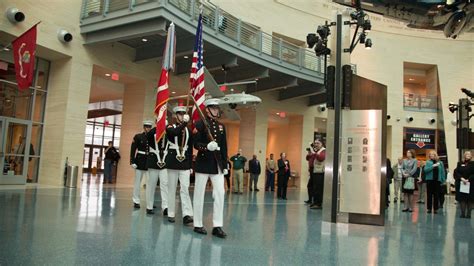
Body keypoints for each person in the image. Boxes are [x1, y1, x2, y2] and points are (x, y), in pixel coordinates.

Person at [193, 98, 228, 238]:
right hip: (203, 163)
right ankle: (198, 223)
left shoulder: (221, 126)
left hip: (217, 164)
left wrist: (225, 165)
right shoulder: (200, 124)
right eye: (213, 108)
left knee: (220, 193)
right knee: (199, 194)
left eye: (217, 108)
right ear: (207, 110)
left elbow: (224, 147)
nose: (216, 110)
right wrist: (205, 147)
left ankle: (217, 225)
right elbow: (195, 144)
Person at [165, 106, 193, 225]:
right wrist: (185, 123)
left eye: (183, 114)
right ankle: (171, 213)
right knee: (171, 189)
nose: (182, 116)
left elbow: (190, 149)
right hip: (172, 162)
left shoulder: (188, 131)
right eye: (179, 114)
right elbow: (175, 134)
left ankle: (187, 214)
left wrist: (191, 165)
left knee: (185, 189)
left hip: (185, 162)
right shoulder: (170, 127)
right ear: (175, 116)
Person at [146, 124, 169, 216]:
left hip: (164, 160)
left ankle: (165, 207)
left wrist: (166, 128)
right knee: (151, 185)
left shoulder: (167, 133)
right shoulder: (153, 133)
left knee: (165, 184)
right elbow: (148, 135)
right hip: (154, 160)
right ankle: (149, 206)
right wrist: (158, 126)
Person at [130, 120, 152, 209]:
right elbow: (133, 149)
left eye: (149, 127)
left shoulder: (153, 137)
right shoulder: (138, 136)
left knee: (150, 183)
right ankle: (136, 201)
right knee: (137, 182)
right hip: (139, 160)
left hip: (149, 161)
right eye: (146, 127)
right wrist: (132, 161)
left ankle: (150, 202)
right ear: (144, 127)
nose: (148, 128)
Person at [454, 151, 474, 218]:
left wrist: (468, 179)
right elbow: (456, 172)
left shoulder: (473, 163)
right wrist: (461, 178)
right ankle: (462, 214)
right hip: (461, 183)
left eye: (469, 154)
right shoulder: (459, 163)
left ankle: (469, 214)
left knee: (470, 199)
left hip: (471, 183)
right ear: (464, 155)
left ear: (471, 156)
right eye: (466, 154)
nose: (468, 155)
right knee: (462, 199)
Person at [310, 140, 325, 209]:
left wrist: (314, 153)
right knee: (315, 188)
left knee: (319, 189)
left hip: (320, 172)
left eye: (318, 143)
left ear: (322, 144)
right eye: (315, 143)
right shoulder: (317, 151)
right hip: (316, 171)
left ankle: (318, 204)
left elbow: (321, 158)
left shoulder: (324, 150)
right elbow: (309, 159)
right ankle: (315, 202)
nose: (316, 144)